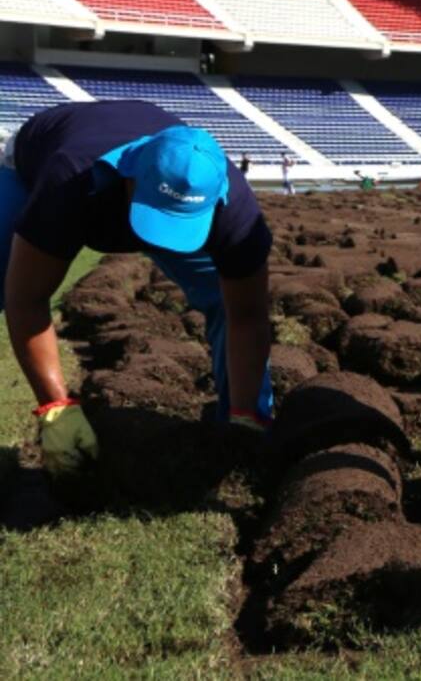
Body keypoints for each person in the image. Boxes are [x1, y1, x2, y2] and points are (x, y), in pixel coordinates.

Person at [0, 101, 274, 477]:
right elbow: (27, 300)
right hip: (29, 167)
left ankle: (244, 426)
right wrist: (55, 407)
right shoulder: (69, 178)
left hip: (131, 183)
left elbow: (247, 316)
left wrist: (246, 417)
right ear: (131, 176)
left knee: (222, 300)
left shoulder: (237, 212)